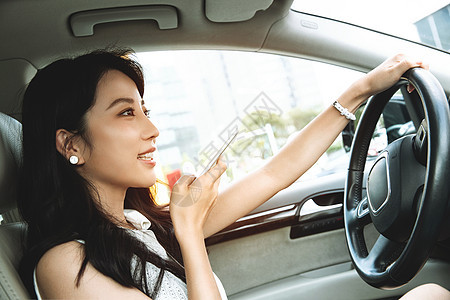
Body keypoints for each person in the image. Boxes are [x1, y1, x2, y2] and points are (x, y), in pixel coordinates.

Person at [17, 48, 432, 299]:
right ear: (71, 145)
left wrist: (360, 90)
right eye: (127, 112)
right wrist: (190, 233)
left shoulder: (140, 225)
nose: (152, 129)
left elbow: (274, 174)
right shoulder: (64, 262)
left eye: (146, 110)